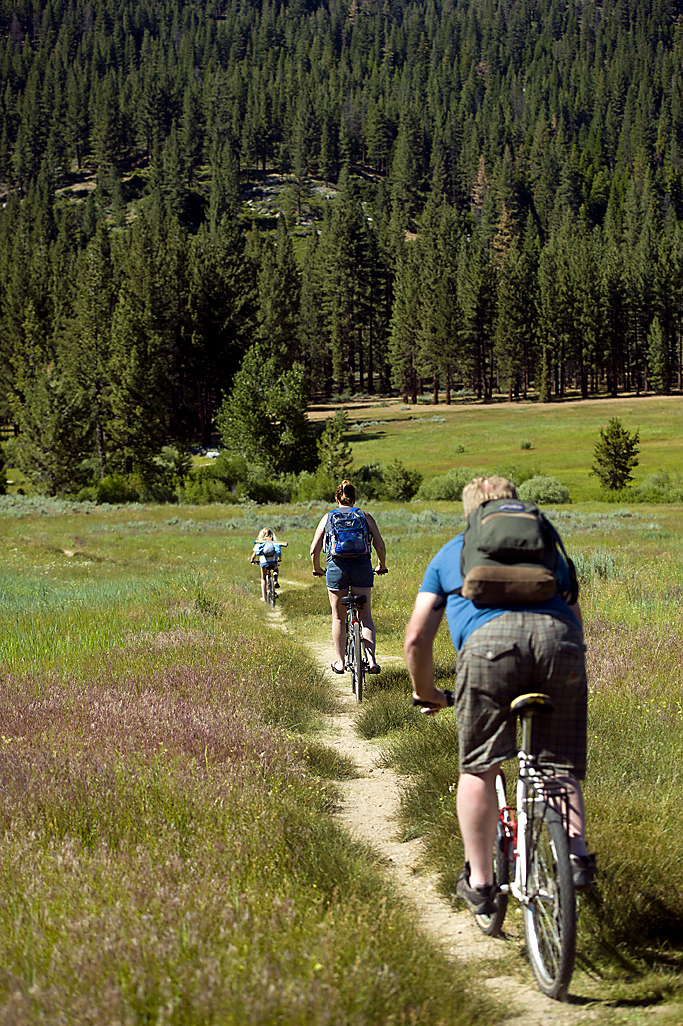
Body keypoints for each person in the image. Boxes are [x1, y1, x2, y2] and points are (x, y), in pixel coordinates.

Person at [403, 475, 595, 916]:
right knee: (557, 764)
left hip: (488, 650)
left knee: (479, 768)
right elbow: (575, 620)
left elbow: (416, 638)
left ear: (468, 514)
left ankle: (482, 883)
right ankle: (575, 856)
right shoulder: (548, 547)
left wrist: (427, 692)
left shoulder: (452, 552)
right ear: (516, 508)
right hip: (559, 645)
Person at [310, 479, 387, 674]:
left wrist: (317, 568)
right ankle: (372, 661)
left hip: (336, 568)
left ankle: (341, 663)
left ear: (337, 499)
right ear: (354, 499)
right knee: (365, 616)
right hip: (362, 566)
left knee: (338, 617)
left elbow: (314, 548)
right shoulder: (364, 515)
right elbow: (379, 545)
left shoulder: (328, 517)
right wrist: (381, 565)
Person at [251, 528, 288, 601]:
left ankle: (264, 597)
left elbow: (254, 555)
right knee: (275, 569)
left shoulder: (260, 542)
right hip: (273, 562)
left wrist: (252, 560)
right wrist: (279, 559)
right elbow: (278, 552)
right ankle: (275, 580)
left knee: (263, 578)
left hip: (264, 562)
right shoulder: (274, 542)